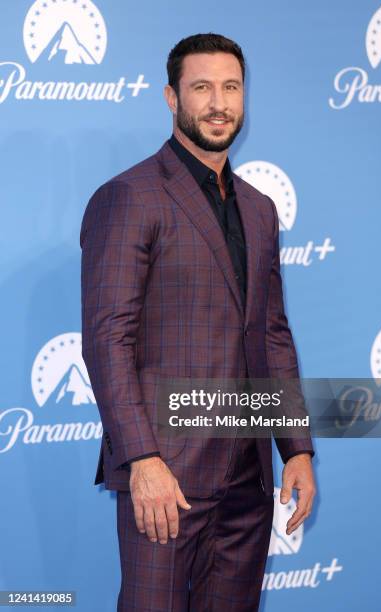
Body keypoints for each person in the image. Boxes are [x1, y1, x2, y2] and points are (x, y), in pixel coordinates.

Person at [80, 32, 316, 612]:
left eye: (231, 88)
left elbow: (271, 335)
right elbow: (108, 339)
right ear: (171, 97)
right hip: (167, 475)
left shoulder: (259, 209)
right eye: (202, 87)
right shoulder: (130, 197)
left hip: (247, 474)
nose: (219, 103)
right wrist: (142, 460)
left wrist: (297, 449)